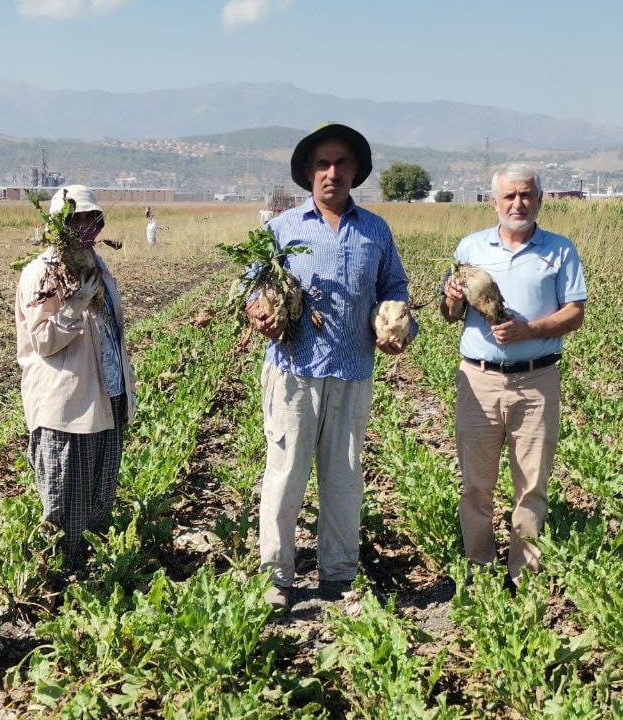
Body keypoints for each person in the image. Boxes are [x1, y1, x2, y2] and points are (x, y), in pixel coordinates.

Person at [247, 123, 415, 612]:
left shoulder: (375, 230)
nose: (332, 172)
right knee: (285, 474)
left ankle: (339, 575)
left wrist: (399, 327)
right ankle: (275, 577)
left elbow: (395, 289)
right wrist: (258, 310)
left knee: (344, 478)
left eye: (342, 163)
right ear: (308, 172)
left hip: (352, 370)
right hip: (293, 370)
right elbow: (253, 286)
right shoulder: (282, 228)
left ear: (356, 171)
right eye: (322, 164)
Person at [441, 163, 586, 587]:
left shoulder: (560, 250)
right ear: (494, 202)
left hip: (536, 381)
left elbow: (575, 313)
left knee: (532, 485)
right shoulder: (470, 247)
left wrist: (530, 330)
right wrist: (452, 298)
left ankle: (525, 576)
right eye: (509, 196)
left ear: (539, 199)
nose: (517, 203)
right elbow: (449, 315)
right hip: (479, 381)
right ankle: (480, 570)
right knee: (476, 484)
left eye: (526, 195)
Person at [15, 185, 135, 571]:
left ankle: (91, 576)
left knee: (99, 498)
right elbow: (42, 340)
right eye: (74, 219)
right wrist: (74, 306)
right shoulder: (42, 272)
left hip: (107, 399)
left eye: (90, 218)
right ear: (57, 225)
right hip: (66, 408)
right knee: (65, 505)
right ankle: (59, 580)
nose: (83, 227)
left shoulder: (99, 267)